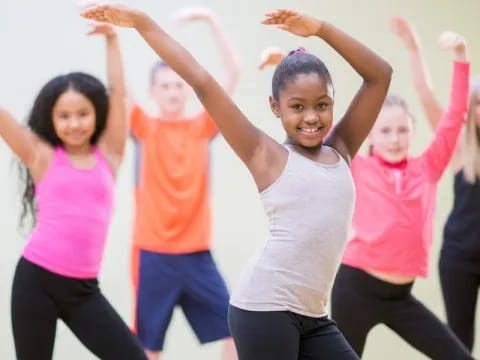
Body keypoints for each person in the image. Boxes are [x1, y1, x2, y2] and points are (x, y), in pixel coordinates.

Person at [81, 4, 392, 359]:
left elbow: (380, 74)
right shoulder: (264, 153)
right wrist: (142, 22)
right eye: (297, 106)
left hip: (315, 317)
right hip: (264, 309)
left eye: (322, 105)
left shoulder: (342, 148)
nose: (311, 117)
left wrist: (321, 28)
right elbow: (200, 79)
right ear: (276, 107)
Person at [3, 21, 147, 360]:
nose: (74, 123)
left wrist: (112, 39)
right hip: (35, 280)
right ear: (50, 119)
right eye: (64, 116)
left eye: (83, 114)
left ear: (96, 114)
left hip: (83, 290)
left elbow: (118, 92)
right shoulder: (40, 155)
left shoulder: (109, 154)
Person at [330, 28, 472, 359]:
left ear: (413, 132)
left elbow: (454, 119)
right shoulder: (357, 167)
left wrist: (461, 58)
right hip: (355, 290)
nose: (395, 139)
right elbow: (321, 127)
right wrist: (286, 61)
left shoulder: (428, 167)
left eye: (403, 130)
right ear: (371, 136)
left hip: (400, 297)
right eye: (385, 131)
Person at [128, 6, 240, 359]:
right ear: (153, 91)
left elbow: (234, 71)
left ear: (188, 91)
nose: (173, 92)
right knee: (149, 346)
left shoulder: (202, 127)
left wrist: (213, 22)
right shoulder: (144, 127)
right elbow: (117, 88)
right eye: (165, 86)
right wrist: (114, 32)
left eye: (179, 85)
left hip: (196, 254)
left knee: (238, 327)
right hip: (153, 255)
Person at [391, 16, 480, 353]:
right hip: (459, 257)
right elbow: (425, 95)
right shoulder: (459, 147)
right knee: (458, 342)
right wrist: (414, 48)